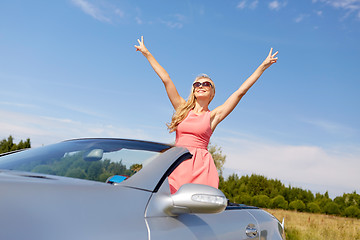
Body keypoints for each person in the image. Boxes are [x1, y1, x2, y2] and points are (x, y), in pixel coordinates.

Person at [135, 36, 278, 194]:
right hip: (177, 163)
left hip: (201, 168)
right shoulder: (182, 108)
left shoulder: (213, 116)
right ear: (194, 90)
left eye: (206, 84)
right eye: (197, 84)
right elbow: (166, 79)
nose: (201, 86)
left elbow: (240, 92)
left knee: (197, 208)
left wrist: (262, 67)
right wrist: (147, 53)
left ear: (212, 92)